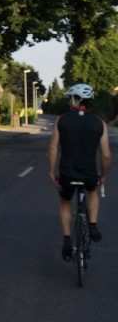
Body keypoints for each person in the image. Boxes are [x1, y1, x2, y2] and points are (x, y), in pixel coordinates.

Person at [48, 83, 112, 261]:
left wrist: (52, 171)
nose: (70, 101)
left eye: (71, 98)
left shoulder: (62, 120)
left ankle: (67, 240)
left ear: (76, 99)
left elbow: (53, 148)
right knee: (92, 191)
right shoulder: (100, 123)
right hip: (89, 174)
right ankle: (92, 225)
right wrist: (103, 175)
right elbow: (106, 155)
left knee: (65, 201)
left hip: (67, 173)